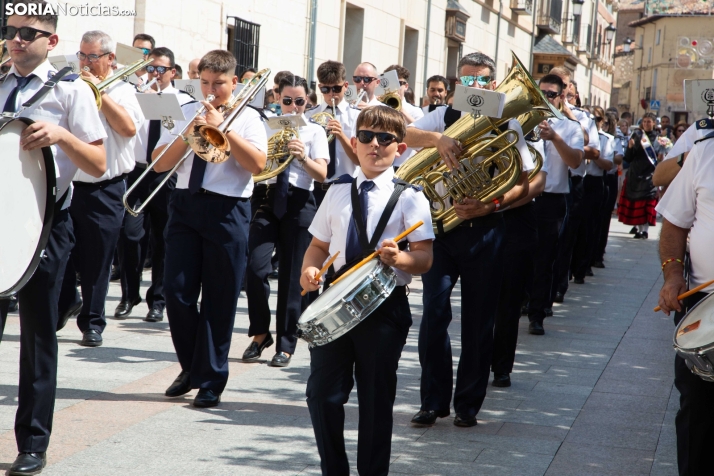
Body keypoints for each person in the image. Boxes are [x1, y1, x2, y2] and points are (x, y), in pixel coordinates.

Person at [0, 1, 107, 473]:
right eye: (11, 30)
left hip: (45, 224)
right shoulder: (0, 82)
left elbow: (99, 164)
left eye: (29, 31)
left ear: (52, 41)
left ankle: (33, 444)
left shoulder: (72, 90)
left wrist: (62, 136)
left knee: (38, 336)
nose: (18, 38)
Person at [301, 105, 434, 476]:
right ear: (354, 143)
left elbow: (424, 258)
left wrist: (400, 259)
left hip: (384, 308)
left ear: (401, 148)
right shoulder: (337, 190)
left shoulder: (410, 196)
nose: (374, 145)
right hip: (335, 302)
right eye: (365, 137)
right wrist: (309, 271)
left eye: (385, 139)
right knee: (321, 395)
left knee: (376, 401)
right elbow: (317, 246)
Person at [404, 52, 530, 428]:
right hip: (440, 233)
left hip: (484, 232)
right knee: (434, 317)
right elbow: (402, 133)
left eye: (481, 80)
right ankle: (432, 401)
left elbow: (523, 182)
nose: (473, 86)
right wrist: (438, 140)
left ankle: (468, 405)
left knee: (478, 323)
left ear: (493, 84)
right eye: (467, 80)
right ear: (459, 84)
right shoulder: (442, 116)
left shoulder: (508, 122)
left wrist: (491, 204)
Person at [152, 49, 267, 408]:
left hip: (228, 209)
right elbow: (158, 164)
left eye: (219, 83)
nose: (211, 90)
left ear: (234, 82)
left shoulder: (249, 118)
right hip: (185, 205)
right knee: (177, 292)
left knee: (220, 298)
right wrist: (188, 132)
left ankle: (211, 379)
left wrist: (222, 131)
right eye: (204, 83)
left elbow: (258, 166)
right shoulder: (186, 110)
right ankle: (192, 366)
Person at [57, 30, 143, 346]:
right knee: (59, 252)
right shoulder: (70, 87)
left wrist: (98, 91)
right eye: (83, 55)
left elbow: (128, 128)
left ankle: (92, 322)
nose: (87, 62)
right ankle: (65, 301)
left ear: (110, 58)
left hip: (105, 188)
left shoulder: (122, 90)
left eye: (93, 56)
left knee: (98, 260)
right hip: (70, 185)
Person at [243, 73, 329, 368]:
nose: (294, 107)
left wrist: (304, 157)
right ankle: (259, 334)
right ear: (277, 98)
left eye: (300, 101)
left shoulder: (315, 131)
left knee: (293, 280)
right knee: (254, 269)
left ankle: (286, 343)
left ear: (308, 102)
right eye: (287, 100)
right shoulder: (263, 126)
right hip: (266, 199)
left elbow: (322, 175)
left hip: (299, 204)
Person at [116, 47, 194, 323]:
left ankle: (157, 300)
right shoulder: (132, 93)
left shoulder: (184, 100)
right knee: (129, 234)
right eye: (150, 68)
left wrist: (159, 104)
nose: (155, 74)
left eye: (161, 70)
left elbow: (180, 134)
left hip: (165, 172)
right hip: (137, 170)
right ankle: (129, 295)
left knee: (163, 238)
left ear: (172, 72)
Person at [655, 132, 714, 476]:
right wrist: (673, 276)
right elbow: (674, 225)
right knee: (698, 411)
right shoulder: (705, 149)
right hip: (704, 305)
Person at [527, 74, 583, 335]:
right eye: (542, 93)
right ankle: (520, 303)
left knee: (545, 260)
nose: (546, 98)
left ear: (562, 97)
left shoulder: (572, 127)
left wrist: (556, 138)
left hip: (552, 200)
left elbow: (576, 163)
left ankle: (538, 313)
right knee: (519, 257)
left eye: (551, 94)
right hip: (523, 198)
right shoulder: (524, 120)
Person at [491, 132, 546, 388]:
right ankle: (478, 364)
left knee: (509, 300)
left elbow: (537, 182)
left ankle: (502, 367)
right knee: (481, 301)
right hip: (478, 219)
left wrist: (496, 205)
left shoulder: (530, 137)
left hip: (516, 218)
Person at [305, 60, 360, 207]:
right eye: (325, 90)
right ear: (319, 88)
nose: (331, 95)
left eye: (336, 88)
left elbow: (359, 160)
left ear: (346, 86)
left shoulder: (357, 117)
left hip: (345, 188)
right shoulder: (309, 115)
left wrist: (342, 135)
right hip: (314, 189)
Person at [569, 105, 613, 283]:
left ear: (601, 122)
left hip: (594, 182)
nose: (592, 122)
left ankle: (583, 267)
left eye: (596, 119)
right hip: (577, 180)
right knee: (573, 228)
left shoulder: (605, 139)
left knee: (589, 226)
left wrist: (594, 155)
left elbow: (608, 165)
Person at [617, 113, 660, 239]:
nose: (646, 124)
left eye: (649, 121)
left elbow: (659, 157)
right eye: (645, 121)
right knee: (636, 201)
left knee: (646, 201)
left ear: (653, 123)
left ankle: (644, 230)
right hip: (635, 172)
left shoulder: (658, 138)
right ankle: (637, 227)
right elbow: (628, 158)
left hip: (649, 173)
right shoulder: (637, 135)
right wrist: (630, 147)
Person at [593, 111, 624, 268]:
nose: (602, 124)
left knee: (603, 218)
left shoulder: (613, 139)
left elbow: (618, 158)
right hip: (592, 178)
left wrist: (604, 156)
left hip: (607, 178)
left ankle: (598, 254)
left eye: (604, 121)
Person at [653, 118, 713, 188]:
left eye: (683, 131)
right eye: (679, 131)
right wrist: (692, 154)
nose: (681, 132)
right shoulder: (702, 130)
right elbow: (658, 177)